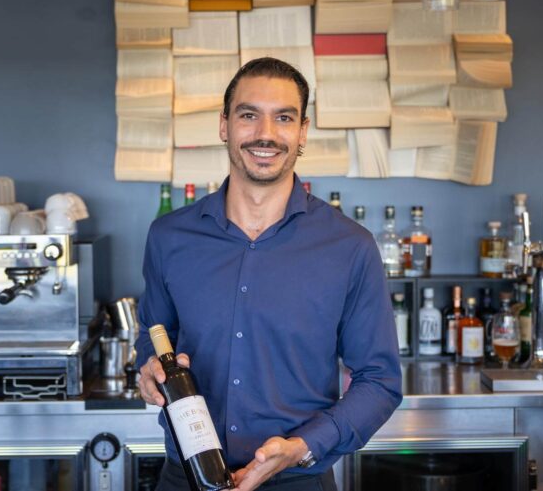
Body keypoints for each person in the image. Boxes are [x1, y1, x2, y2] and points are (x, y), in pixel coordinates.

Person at [135, 57, 402, 491]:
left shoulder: (350, 246)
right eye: (248, 115)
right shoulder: (169, 237)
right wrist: (148, 368)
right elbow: (154, 332)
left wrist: (300, 447)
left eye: (283, 118)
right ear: (224, 125)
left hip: (298, 481)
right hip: (184, 477)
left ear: (302, 132)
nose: (266, 134)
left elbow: (380, 382)